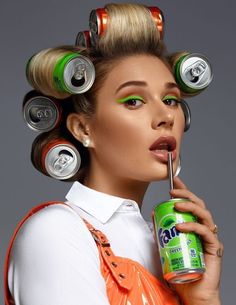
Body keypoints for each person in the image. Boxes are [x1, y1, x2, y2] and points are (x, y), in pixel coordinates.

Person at [4, 3, 223, 305]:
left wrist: (203, 299)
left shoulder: (167, 248)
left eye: (170, 99)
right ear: (83, 129)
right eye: (133, 101)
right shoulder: (55, 232)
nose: (166, 117)